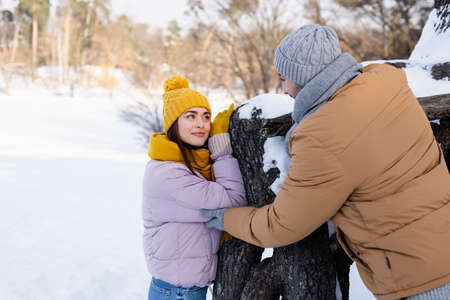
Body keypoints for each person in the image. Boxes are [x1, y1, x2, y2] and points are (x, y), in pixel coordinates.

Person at [202, 24, 450, 300]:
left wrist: (227, 218)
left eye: (284, 78)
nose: (283, 89)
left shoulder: (324, 133)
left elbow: (282, 224)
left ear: (305, 77)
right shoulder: (387, 84)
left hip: (420, 278)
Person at [142, 75, 246, 300]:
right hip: (177, 292)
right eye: (191, 116)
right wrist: (222, 149)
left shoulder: (194, 163)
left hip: (185, 289)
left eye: (206, 116)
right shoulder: (169, 174)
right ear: (173, 124)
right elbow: (234, 200)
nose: (201, 124)